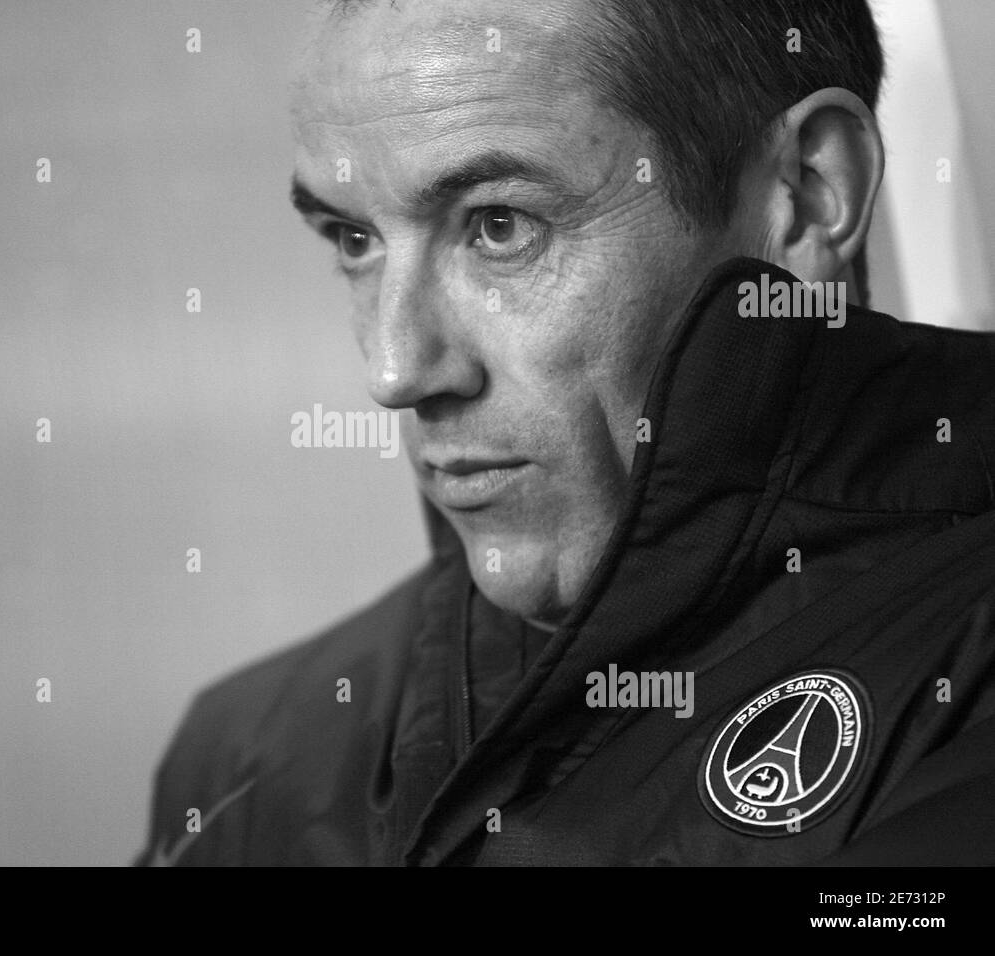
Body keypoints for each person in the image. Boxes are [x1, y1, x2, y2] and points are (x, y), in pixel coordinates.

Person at [137, 0, 995, 866]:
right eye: (355, 239)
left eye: (499, 225)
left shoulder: (969, 682)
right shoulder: (247, 757)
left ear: (807, 197)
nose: (395, 372)